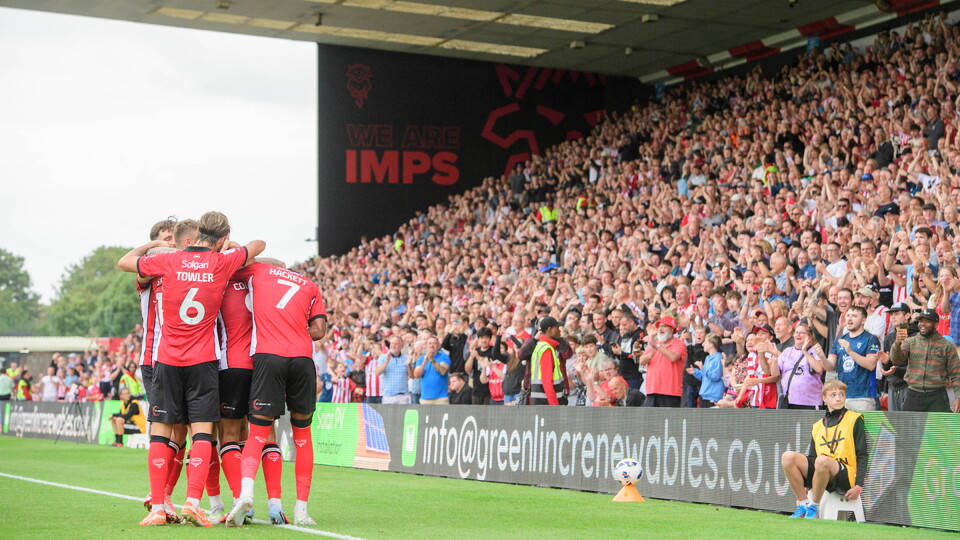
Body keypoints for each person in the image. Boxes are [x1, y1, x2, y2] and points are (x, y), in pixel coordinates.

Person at [118, 211, 264, 527]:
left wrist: (156, 246)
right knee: (202, 431)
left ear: (191, 238)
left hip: (166, 359)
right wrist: (229, 246)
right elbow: (258, 244)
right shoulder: (222, 262)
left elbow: (124, 261)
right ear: (222, 238)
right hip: (203, 360)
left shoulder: (168, 262)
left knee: (161, 431)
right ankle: (193, 502)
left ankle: (159, 505)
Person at [226, 260, 327, 527]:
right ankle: (302, 512)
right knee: (303, 434)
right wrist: (294, 329)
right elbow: (319, 330)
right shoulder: (309, 284)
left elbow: (232, 253)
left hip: (269, 356)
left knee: (258, 432)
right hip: (303, 359)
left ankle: (245, 495)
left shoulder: (258, 270)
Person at [780, 380, 867, 519]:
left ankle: (814, 507)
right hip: (821, 468)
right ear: (824, 398)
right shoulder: (817, 425)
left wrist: (858, 486)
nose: (838, 398)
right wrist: (806, 487)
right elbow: (812, 456)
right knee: (787, 456)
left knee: (821, 460)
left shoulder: (854, 419)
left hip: (845, 473)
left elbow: (862, 455)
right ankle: (804, 504)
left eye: (841, 394)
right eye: (833, 395)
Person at [891, 309, 960, 413]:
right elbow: (896, 359)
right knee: (908, 429)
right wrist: (897, 343)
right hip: (913, 393)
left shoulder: (947, 345)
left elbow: (955, 373)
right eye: (920, 321)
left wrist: (958, 396)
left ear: (936, 324)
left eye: (927, 321)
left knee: (939, 429)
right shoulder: (910, 341)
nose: (922, 324)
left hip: (937, 396)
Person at [824, 306, 880, 411]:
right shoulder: (839, 340)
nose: (849, 318)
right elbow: (830, 366)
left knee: (863, 427)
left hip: (864, 396)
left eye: (854, 316)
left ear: (863, 320)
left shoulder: (871, 339)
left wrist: (850, 352)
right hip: (841, 396)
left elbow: (871, 365)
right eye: (848, 315)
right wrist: (822, 357)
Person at [638, 316, 688, 407]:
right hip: (652, 390)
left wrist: (656, 345)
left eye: (664, 326)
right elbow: (641, 361)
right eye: (659, 326)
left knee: (667, 420)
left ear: (672, 329)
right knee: (651, 420)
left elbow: (673, 357)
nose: (660, 329)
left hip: (670, 392)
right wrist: (650, 355)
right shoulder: (656, 343)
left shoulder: (679, 344)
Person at [776, 323, 826, 409]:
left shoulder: (815, 350)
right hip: (789, 400)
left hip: (810, 402)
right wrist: (773, 356)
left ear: (809, 337)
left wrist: (804, 351)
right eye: (796, 332)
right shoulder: (787, 351)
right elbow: (775, 373)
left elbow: (819, 368)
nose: (798, 334)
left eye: (802, 332)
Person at [877, 303, 912, 411]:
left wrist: (895, 369)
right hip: (893, 385)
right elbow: (890, 366)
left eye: (896, 314)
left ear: (907, 316)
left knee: (909, 424)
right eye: (891, 314)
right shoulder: (889, 337)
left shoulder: (916, 336)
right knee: (894, 425)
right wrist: (886, 362)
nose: (892, 317)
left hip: (910, 386)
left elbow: (916, 365)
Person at [530, 317, 567, 405]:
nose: (559, 331)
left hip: (540, 400)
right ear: (550, 329)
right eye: (557, 328)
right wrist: (554, 405)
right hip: (547, 403)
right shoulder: (547, 349)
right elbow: (547, 381)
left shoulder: (540, 346)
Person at [688, 333, 724, 407]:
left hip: (713, 396)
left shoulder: (718, 358)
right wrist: (695, 371)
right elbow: (704, 377)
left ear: (711, 345)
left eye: (706, 342)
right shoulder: (708, 358)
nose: (703, 344)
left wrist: (703, 368)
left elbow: (715, 376)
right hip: (705, 395)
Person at [413, 335, 450, 404]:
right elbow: (416, 375)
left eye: (434, 343)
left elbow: (443, 371)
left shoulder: (444, 357)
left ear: (439, 346)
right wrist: (424, 362)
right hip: (425, 398)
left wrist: (431, 359)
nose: (432, 345)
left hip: (441, 398)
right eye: (429, 343)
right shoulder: (421, 359)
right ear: (426, 346)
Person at [377, 336, 410, 404]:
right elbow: (377, 372)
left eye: (396, 344)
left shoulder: (407, 358)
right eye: (392, 343)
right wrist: (386, 361)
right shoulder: (383, 357)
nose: (393, 346)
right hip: (388, 396)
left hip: (403, 396)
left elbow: (412, 376)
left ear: (401, 346)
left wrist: (409, 365)